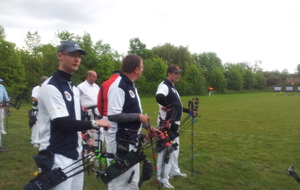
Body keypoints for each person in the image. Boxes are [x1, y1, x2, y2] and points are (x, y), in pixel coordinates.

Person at [37, 41, 110, 190]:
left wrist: (87, 137)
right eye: (71, 55)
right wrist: (96, 123)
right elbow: (63, 123)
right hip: (56, 154)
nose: (77, 59)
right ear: (60, 56)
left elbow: (76, 118)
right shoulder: (51, 87)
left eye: (78, 56)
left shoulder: (72, 87)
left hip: (75, 152)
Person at [106, 55, 149, 190]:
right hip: (120, 141)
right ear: (136, 69)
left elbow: (136, 112)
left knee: (132, 179)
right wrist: (137, 116)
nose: (142, 70)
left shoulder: (131, 85)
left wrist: (148, 127)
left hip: (131, 139)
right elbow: (113, 115)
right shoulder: (119, 86)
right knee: (119, 180)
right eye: (142, 67)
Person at [155, 65, 191, 189]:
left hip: (174, 123)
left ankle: (174, 172)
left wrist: (188, 110)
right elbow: (159, 96)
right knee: (166, 151)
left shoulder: (172, 87)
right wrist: (168, 106)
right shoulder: (164, 85)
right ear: (169, 74)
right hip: (167, 124)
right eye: (175, 73)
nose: (178, 75)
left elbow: (176, 105)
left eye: (178, 73)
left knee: (174, 150)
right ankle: (162, 179)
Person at [97, 70, 121, 164]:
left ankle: (111, 165)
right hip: (122, 116)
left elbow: (99, 103)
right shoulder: (123, 83)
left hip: (107, 116)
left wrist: (103, 115)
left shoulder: (104, 84)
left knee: (110, 142)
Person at [77, 70, 102, 146]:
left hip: (97, 111)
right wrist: (80, 106)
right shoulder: (81, 87)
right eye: (94, 77)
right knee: (88, 131)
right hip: (87, 112)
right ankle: (88, 150)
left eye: (96, 77)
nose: (95, 79)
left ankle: (98, 149)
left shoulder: (96, 86)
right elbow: (75, 99)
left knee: (98, 131)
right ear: (88, 76)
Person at [30, 76, 48, 148]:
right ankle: (35, 141)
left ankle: (44, 140)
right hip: (37, 109)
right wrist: (43, 101)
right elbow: (34, 98)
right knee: (36, 126)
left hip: (45, 110)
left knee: (45, 126)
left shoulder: (47, 89)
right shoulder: (36, 88)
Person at [0, 78, 8, 151]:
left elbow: (5, 94)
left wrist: (6, 102)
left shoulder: (2, 87)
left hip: (1, 105)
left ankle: (1, 129)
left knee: (1, 118)